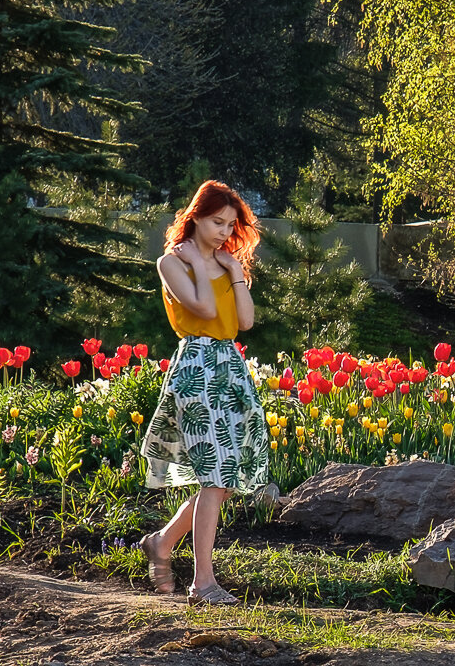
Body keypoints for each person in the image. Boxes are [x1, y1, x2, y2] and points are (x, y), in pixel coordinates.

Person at [137, 179, 269, 606]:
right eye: (216, 222)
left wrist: (234, 271)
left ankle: (162, 542)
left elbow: (244, 322)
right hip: (195, 368)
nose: (224, 232)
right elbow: (205, 311)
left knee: (224, 480)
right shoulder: (171, 263)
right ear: (194, 216)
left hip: (230, 368)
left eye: (231, 226)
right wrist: (198, 261)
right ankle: (204, 583)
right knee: (215, 479)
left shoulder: (230, 264)